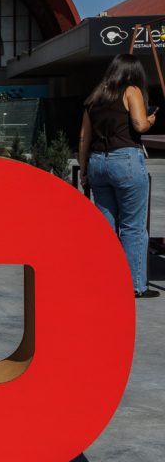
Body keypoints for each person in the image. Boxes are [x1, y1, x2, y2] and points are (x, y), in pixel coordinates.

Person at [79, 53, 159, 299]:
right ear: (134, 73)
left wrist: (84, 170)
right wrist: (151, 118)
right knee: (133, 227)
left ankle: (105, 281)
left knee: (105, 227)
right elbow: (139, 125)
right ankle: (135, 286)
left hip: (97, 163)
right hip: (125, 160)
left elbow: (83, 138)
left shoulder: (94, 97)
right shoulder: (131, 90)